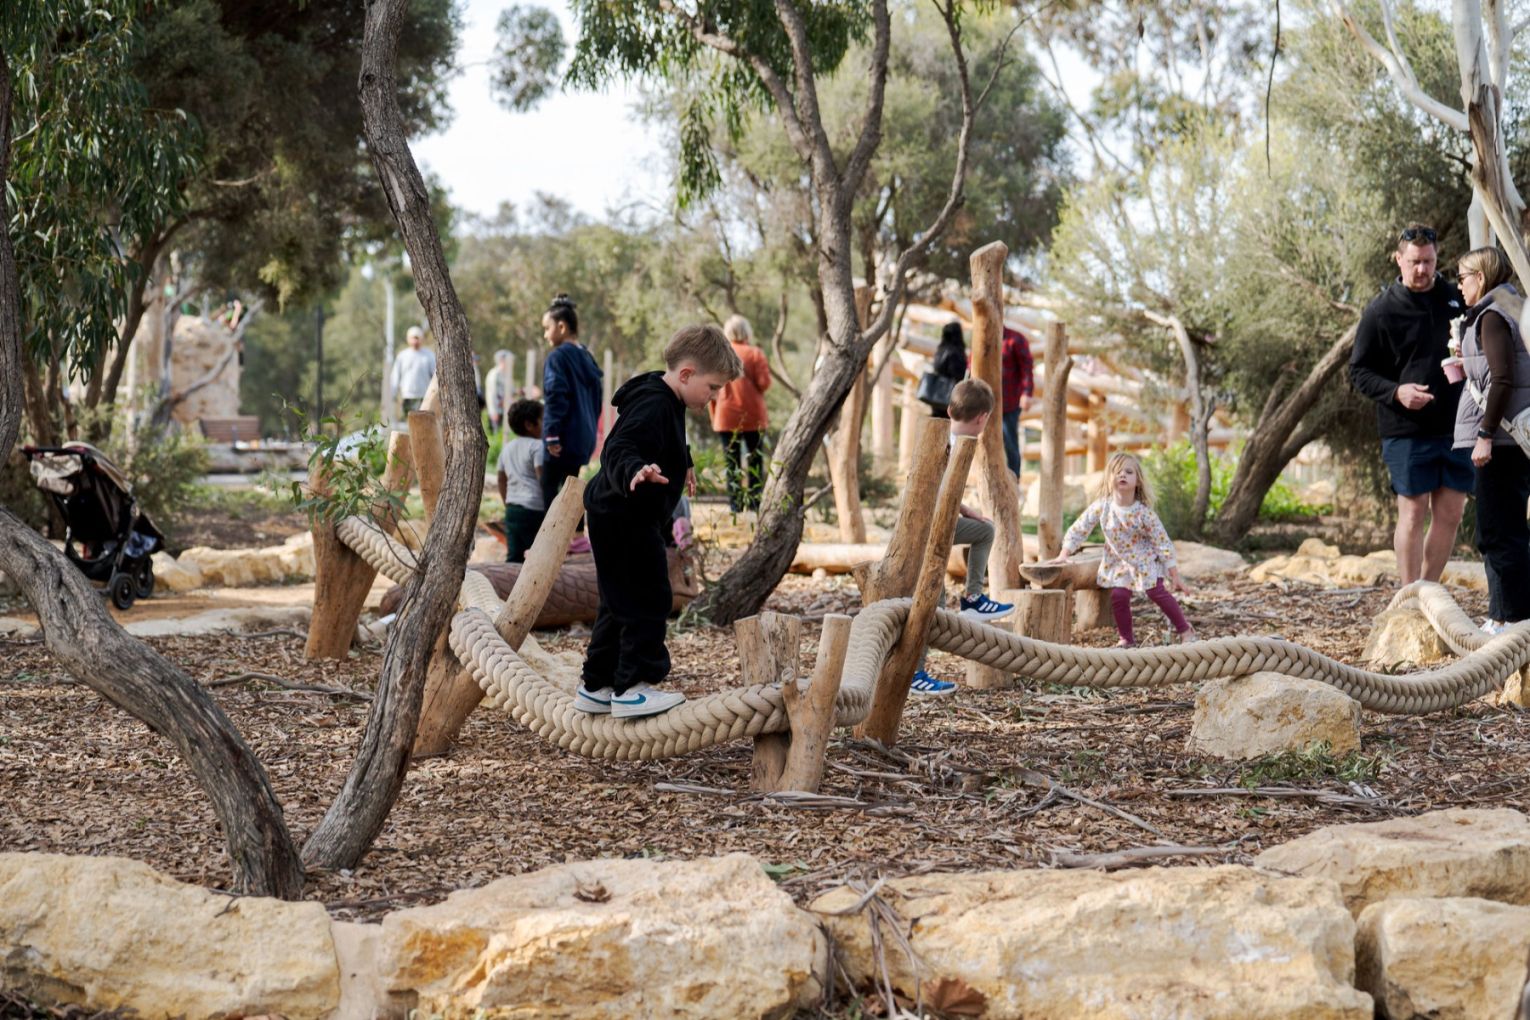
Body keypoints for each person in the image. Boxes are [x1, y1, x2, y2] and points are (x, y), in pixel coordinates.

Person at [575, 324, 743, 719]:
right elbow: (619, 447)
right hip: (625, 517)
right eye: (713, 387)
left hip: (614, 515)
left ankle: (596, 685)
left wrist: (681, 461)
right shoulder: (654, 403)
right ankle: (633, 686)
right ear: (686, 374)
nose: (716, 396)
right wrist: (636, 469)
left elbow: (666, 433)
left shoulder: (662, 394)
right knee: (649, 599)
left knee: (618, 602)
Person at [1349, 224, 1469, 585]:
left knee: (1450, 514)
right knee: (1413, 513)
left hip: (1457, 426)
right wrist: (1396, 392)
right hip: (1406, 430)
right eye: (1414, 262)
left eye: (1429, 262)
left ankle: (1427, 592)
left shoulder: (1455, 298)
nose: (1422, 270)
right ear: (1399, 260)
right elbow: (1359, 371)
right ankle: (1408, 595)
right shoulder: (1381, 310)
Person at [909, 378, 1017, 696]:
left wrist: (965, 510)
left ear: (949, 409)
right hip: (927, 530)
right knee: (930, 603)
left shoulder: (946, 436)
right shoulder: (952, 443)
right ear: (983, 418)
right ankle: (915, 673)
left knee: (983, 530)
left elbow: (942, 490)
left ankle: (972, 599)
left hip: (936, 524)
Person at [1450, 246, 1530, 634]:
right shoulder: (1513, 307)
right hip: (1512, 442)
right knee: (1508, 528)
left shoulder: (1492, 316)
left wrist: (1484, 434)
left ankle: (1506, 619)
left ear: (1480, 278)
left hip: (1500, 443)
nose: (1459, 285)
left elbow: (1502, 379)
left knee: (1497, 532)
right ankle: (1508, 614)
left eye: (1463, 277)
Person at [1049, 452, 1195, 648]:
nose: (1122, 475)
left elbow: (1162, 542)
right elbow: (1080, 527)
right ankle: (1126, 639)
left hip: (1145, 560)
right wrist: (1064, 554)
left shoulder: (1144, 513)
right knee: (1119, 595)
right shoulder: (1103, 506)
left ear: (1138, 481)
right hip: (1119, 562)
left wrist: (1174, 574)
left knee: (1155, 592)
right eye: (1116, 472)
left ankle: (1185, 629)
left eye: (1128, 471)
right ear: (1109, 478)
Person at [540, 294, 603, 511]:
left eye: (547, 328)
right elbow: (597, 400)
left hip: (563, 438)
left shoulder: (557, 357)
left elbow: (556, 396)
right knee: (571, 488)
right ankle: (575, 538)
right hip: (582, 437)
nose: (545, 334)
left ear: (561, 326)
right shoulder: (587, 357)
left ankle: (549, 540)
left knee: (548, 488)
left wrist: (551, 434)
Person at [709, 314, 773, 512]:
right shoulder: (755, 354)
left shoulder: (719, 356)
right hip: (753, 417)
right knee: (755, 460)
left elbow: (711, 390)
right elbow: (765, 383)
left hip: (726, 416)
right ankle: (754, 504)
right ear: (747, 331)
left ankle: (735, 506)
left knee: (732, 463)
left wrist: (714, 417)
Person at [497, 399, 546, 564]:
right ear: (529, 425)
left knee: (514, 556)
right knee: (538, 555)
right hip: (534, 509)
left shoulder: (507, 448)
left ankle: (509, 585)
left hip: (512, 509)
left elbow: (501, 479)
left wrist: (507, 502)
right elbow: (542, 478)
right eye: (543, 420)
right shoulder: (538, 446)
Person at [1000, 325, 1035, 478]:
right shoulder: (981, 336)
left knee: (1009, 442)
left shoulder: (1015, 339)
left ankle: (1014, 478)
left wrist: (1027, 393)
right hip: (986, 401)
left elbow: (1027, 368)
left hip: (1010, 402)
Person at [390, 325, 436, 417]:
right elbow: (395, 377)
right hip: (407, 397)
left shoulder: (429, 356)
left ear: (422, 339)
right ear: (408, 339)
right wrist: (393, 393)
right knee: (410, 423)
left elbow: (435, 376)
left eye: (417, 338)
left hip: (424, 397)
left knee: (423, 422)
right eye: (413, 338)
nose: (415, 341)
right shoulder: (402, 356)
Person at [927, 321, 969, 419]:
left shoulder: (940, 350)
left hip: (936, 396)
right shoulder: (956, 352)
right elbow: (958, 374)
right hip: (949, 397)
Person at [484, 349, 515, 434]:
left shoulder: (507, 374)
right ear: (502, 360)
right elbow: (491, 395)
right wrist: (493, 411)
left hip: (506, 411)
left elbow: (511, 391)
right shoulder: (494, 374)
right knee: (496, 435)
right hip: (496, 412)